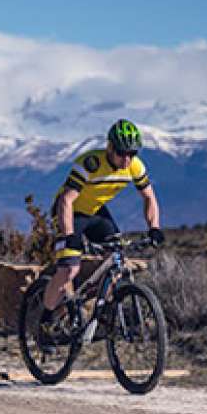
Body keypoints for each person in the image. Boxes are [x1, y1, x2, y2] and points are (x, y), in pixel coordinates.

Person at [41, 119, 163, 338]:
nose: (126, 159)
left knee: (116, 261)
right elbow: (66, 201)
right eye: (121, 153)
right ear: (110, 147)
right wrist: (69, 235)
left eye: (131, 153)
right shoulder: (90, 164)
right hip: (69, 213)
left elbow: (149, 198)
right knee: (69, 269)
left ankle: (95, 312)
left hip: (96, 213)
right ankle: (46, 320)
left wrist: (154, 227)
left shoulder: (135, 166)